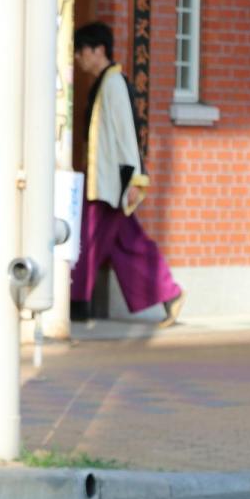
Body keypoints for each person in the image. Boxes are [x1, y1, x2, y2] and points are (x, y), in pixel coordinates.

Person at [71, 21, 185, 327]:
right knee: (127, 244)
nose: (78, 58)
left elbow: (126, 133)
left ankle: (76, 302)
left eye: (81, 51)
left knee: (87, 240)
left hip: (109, 184)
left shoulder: (114, 84)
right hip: (104, 182)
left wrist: (135, 178)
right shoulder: (105, 83)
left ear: (98, 50)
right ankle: (169, 293)